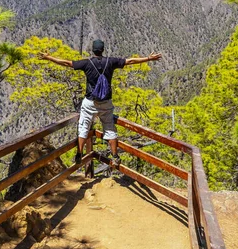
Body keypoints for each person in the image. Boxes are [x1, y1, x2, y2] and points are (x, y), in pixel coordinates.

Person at [39, 39, 162, 168]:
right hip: (106, 102)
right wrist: (148, 58)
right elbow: (130, 61)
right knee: (109, 128)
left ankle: (79, 154)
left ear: (93, 50)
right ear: (103, 50)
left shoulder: (87, 63)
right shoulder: (111, 62)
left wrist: (49, 58)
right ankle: (115, 157)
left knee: (83, 127)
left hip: (90, 102)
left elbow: (67, 63)